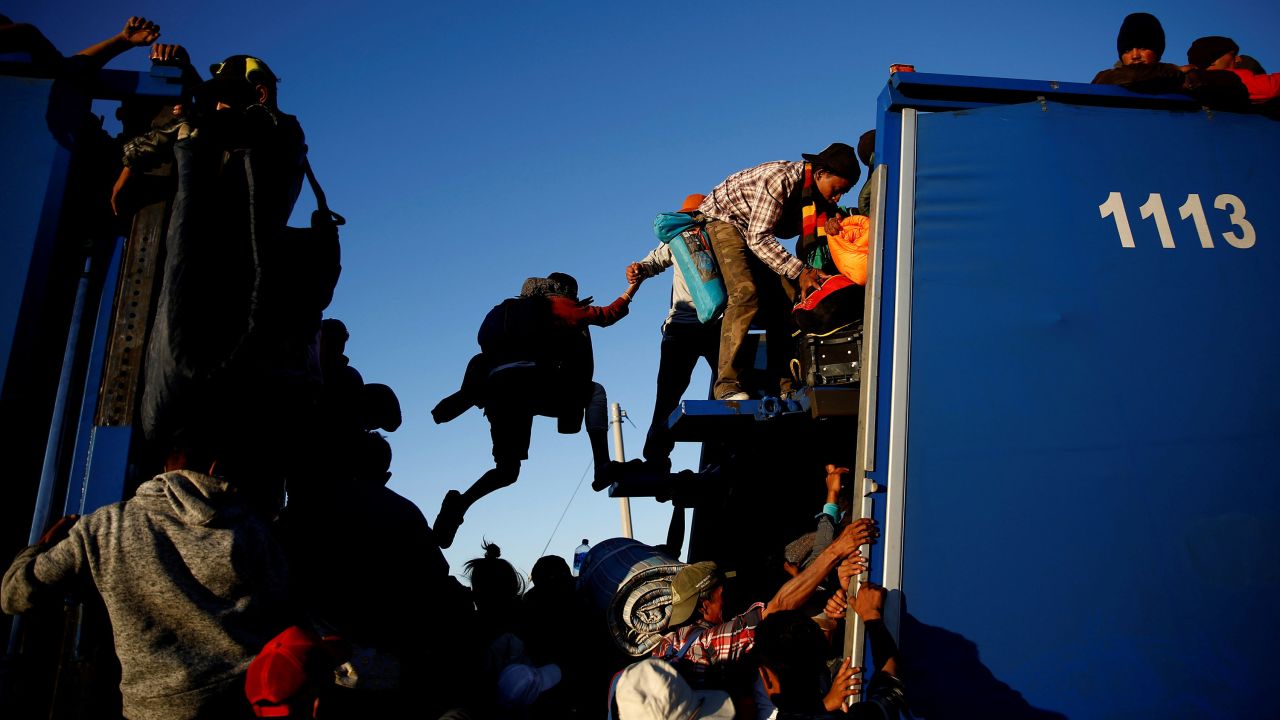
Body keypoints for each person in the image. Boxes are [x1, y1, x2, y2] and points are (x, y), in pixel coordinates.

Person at [1, 440, 291, 720]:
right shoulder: (250, 529)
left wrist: (37, 548)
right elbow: (283, 611)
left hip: (155, 711)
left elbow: (13, 594)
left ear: (163, 470)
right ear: (215, 469)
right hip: (242, 702)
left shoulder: (103, 528)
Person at [432, 273, 640, 547]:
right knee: (594, 391)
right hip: (534, 385)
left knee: (507, 471)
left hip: (498, 392)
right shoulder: (553, 305)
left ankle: (460, 504)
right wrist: (634, 286)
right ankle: (602, 464)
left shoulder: (501, 312)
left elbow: (483, 345)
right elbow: (608, 314)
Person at [697, 143, 859, 401]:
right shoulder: (780, 179)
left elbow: (820, 226)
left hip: (751, 231)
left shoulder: (816, 198)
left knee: (789, 296)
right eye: (837, 190)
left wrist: (832, 223)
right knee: (745, 293)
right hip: (725, 221)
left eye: (844, 193)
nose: (838, 198)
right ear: (819, 174)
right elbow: (759, 237)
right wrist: (802, 270)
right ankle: (726, 384)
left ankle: (785, 385)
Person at [649, 520, 876, 688]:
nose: (729, 596)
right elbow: (779, 607)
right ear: (704, 605)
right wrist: (837, 550)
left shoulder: (666, 645)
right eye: (722, 593)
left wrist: (834, 604)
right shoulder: (708, 642)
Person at [626, 193, 722, 471]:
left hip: (716, 324)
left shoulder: (720, 235)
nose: (693, 221)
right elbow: (652, 262)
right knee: (668, 394)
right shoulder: (677, 240)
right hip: (683, 327)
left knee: (726, 389)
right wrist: (638, 268)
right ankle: (655, 455)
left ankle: (725, 447)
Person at [1186, 36, 1280, 103]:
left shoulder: (1195, 82)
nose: (1238, 59)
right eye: (1232, 54)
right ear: (1213, 60)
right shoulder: (1225, 77)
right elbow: (1269, 87)